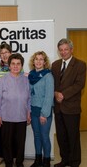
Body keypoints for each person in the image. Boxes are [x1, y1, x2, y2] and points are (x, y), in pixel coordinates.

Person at [51, 38, 86, 167]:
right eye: (61, 50)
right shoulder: (55, 65)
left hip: (71, 107)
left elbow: (79, 85)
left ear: (71, 49)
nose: (63, 52)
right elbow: (52, 83)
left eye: (66, 49)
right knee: (61, 136)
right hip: (58, 108)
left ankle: (75, 162)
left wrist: (63, 95)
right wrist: (55, 93)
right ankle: (64, 160)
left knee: (73, 137)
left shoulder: (80, 65)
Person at [0, 53, 31, 167]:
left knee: (20, 143)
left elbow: (29, 99)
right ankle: (8, 163)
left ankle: (19, 163)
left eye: (18, 64)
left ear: (21, 66)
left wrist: (28, 113)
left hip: (21, 117)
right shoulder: (2, 81)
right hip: (6, 117)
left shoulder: (26, 80)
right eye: (13, 64)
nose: (15, 66)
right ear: (9, 65)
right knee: (7, 143)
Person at [28, 51, 54, 167]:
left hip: (44, 112)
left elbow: (49, 96)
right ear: (33, 61)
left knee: (44, 136)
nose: (38, 61)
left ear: (45, 62)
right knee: (37, 136)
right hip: (34, 111)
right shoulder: (31, 75)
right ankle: (38, 159)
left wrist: (44, 114)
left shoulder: (48, 76)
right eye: (36, 59)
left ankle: (46, 161)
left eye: (41, 59)